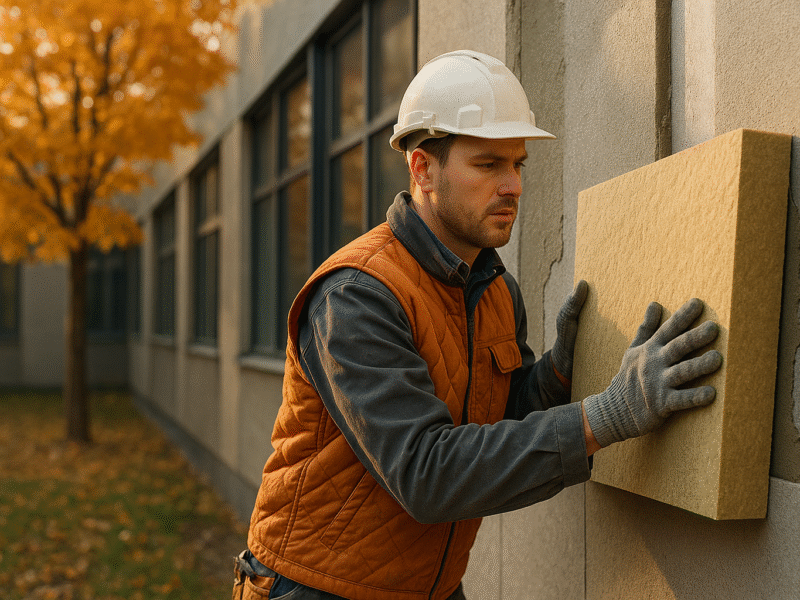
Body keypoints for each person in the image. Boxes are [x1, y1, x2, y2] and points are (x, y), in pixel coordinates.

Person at [233, 50, 722, 600]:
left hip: (431, 587)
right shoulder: (356, 295)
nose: (512, 185)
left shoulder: (493, 287)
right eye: (488, 165)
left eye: (517, 164)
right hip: (316, 589)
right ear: (423, 169)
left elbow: (499, 422)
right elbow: (427, 474)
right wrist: (608, 415)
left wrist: (559, 378)